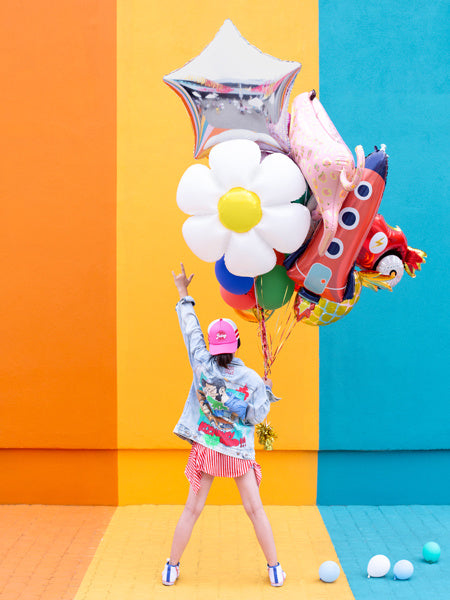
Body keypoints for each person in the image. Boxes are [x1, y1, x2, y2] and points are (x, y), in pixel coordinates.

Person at [162, 263, 286, 587]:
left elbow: (191, 330)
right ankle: (274, 570)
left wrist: (183, 292)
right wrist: (265, 392)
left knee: (191, 510)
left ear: (212, 346)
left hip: (207, 449)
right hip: (238, 453)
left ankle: (171, 567)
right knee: (255, 510)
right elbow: (257, 416)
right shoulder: (251, 379)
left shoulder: (201, 365)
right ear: (237, 344)